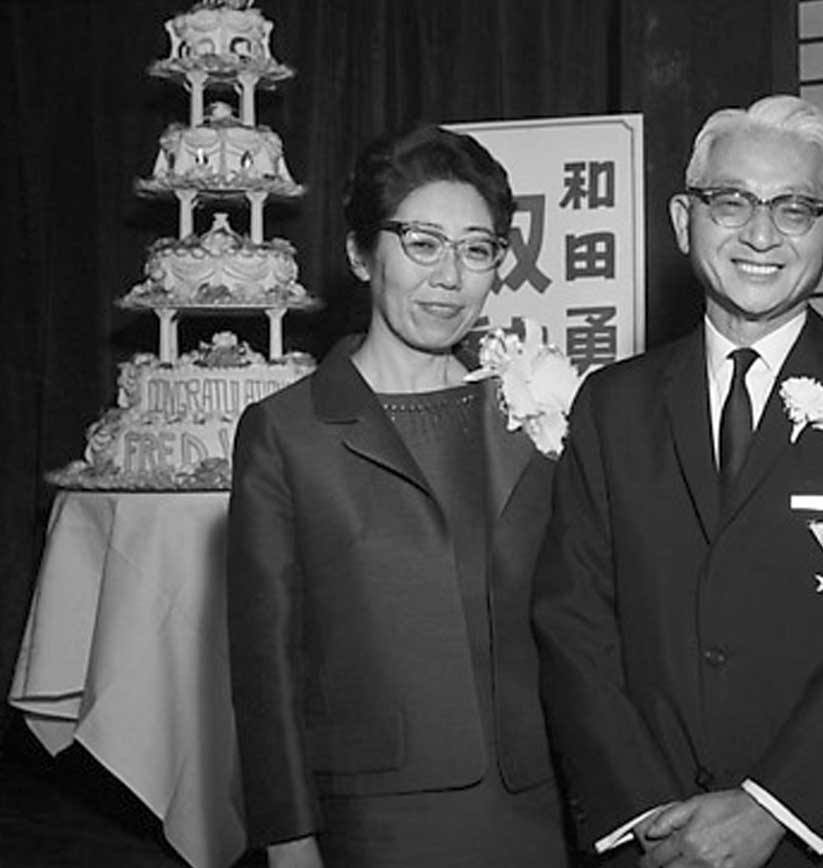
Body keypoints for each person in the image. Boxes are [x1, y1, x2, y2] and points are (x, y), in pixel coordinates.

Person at [532, 94, 823, 868]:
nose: (761, 234)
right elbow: (574, 625)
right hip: (657, 839)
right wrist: (651, 818)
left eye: (795, 208)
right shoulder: (611, 405)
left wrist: (772, 806)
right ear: (684, 221)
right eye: (731, 201)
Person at [227, 124, 571, 868]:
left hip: (542, 804)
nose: (450, 277)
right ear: (361, 254)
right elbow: (266, 667)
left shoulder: (531, 408)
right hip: (376, 818)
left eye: (477, 250)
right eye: (422, 244)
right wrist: (289, 842)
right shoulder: (287, 432)